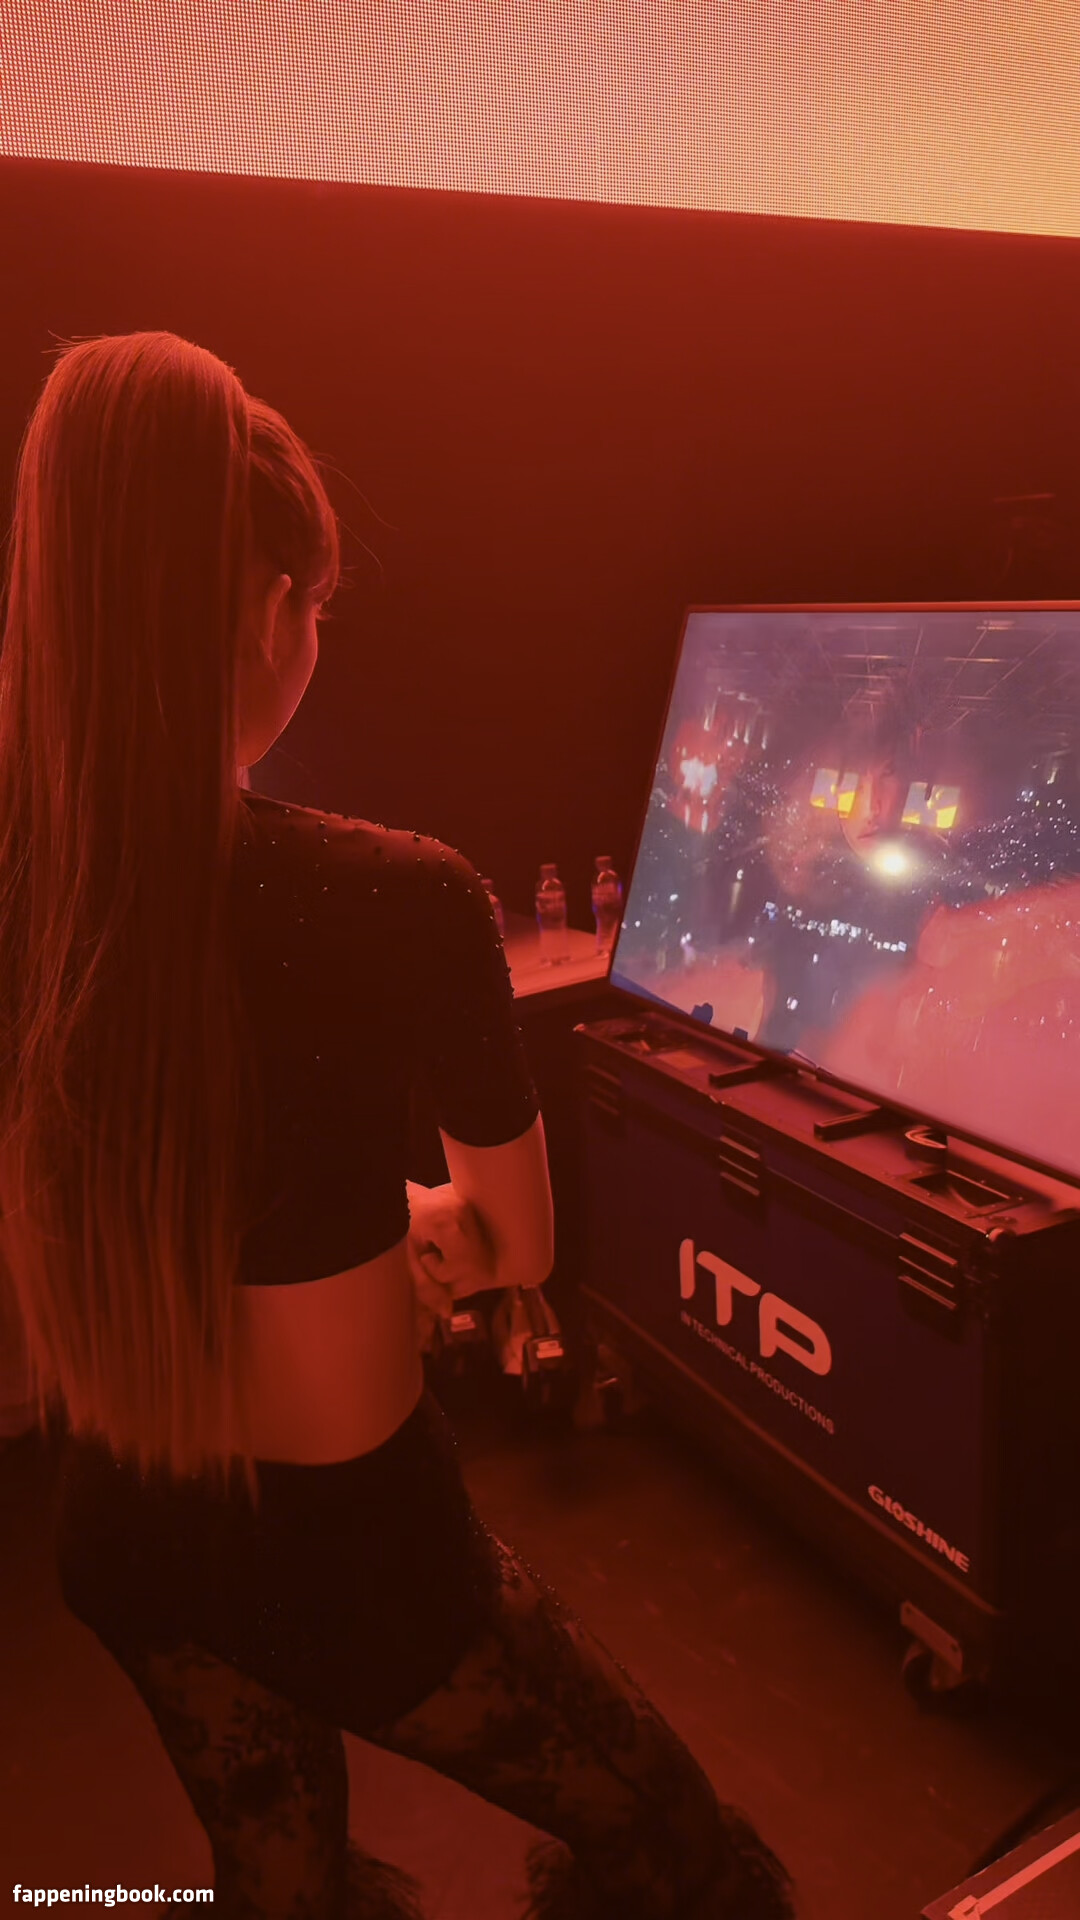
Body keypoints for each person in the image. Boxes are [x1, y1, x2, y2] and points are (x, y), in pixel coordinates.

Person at [0, 330, 795, 1919]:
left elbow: (169, 1161)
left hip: (126, 1526)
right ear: (267, 610)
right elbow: (520, 1246)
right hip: (353, 1554)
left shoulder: (35, 881)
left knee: (278, 1880)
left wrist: (376, 1222)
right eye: (320, 608)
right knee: (674, 1844)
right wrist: (439, 1229)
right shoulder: (399, 896)